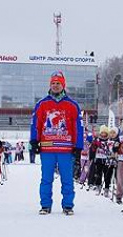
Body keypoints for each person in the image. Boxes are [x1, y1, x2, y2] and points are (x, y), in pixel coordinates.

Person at [30, 70, 83, 215]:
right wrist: (34, 141)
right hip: (47, 148)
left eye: (58, 83)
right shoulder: (42, 104)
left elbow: (78, 127)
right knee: (46, 179)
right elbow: (36, 124)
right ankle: (45, 205)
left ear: (63, 85)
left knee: (67, 179)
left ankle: (68, 205)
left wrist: (78, 147)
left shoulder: (72, 105)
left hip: (65, 149)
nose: (55, 86)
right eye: (53, 83)